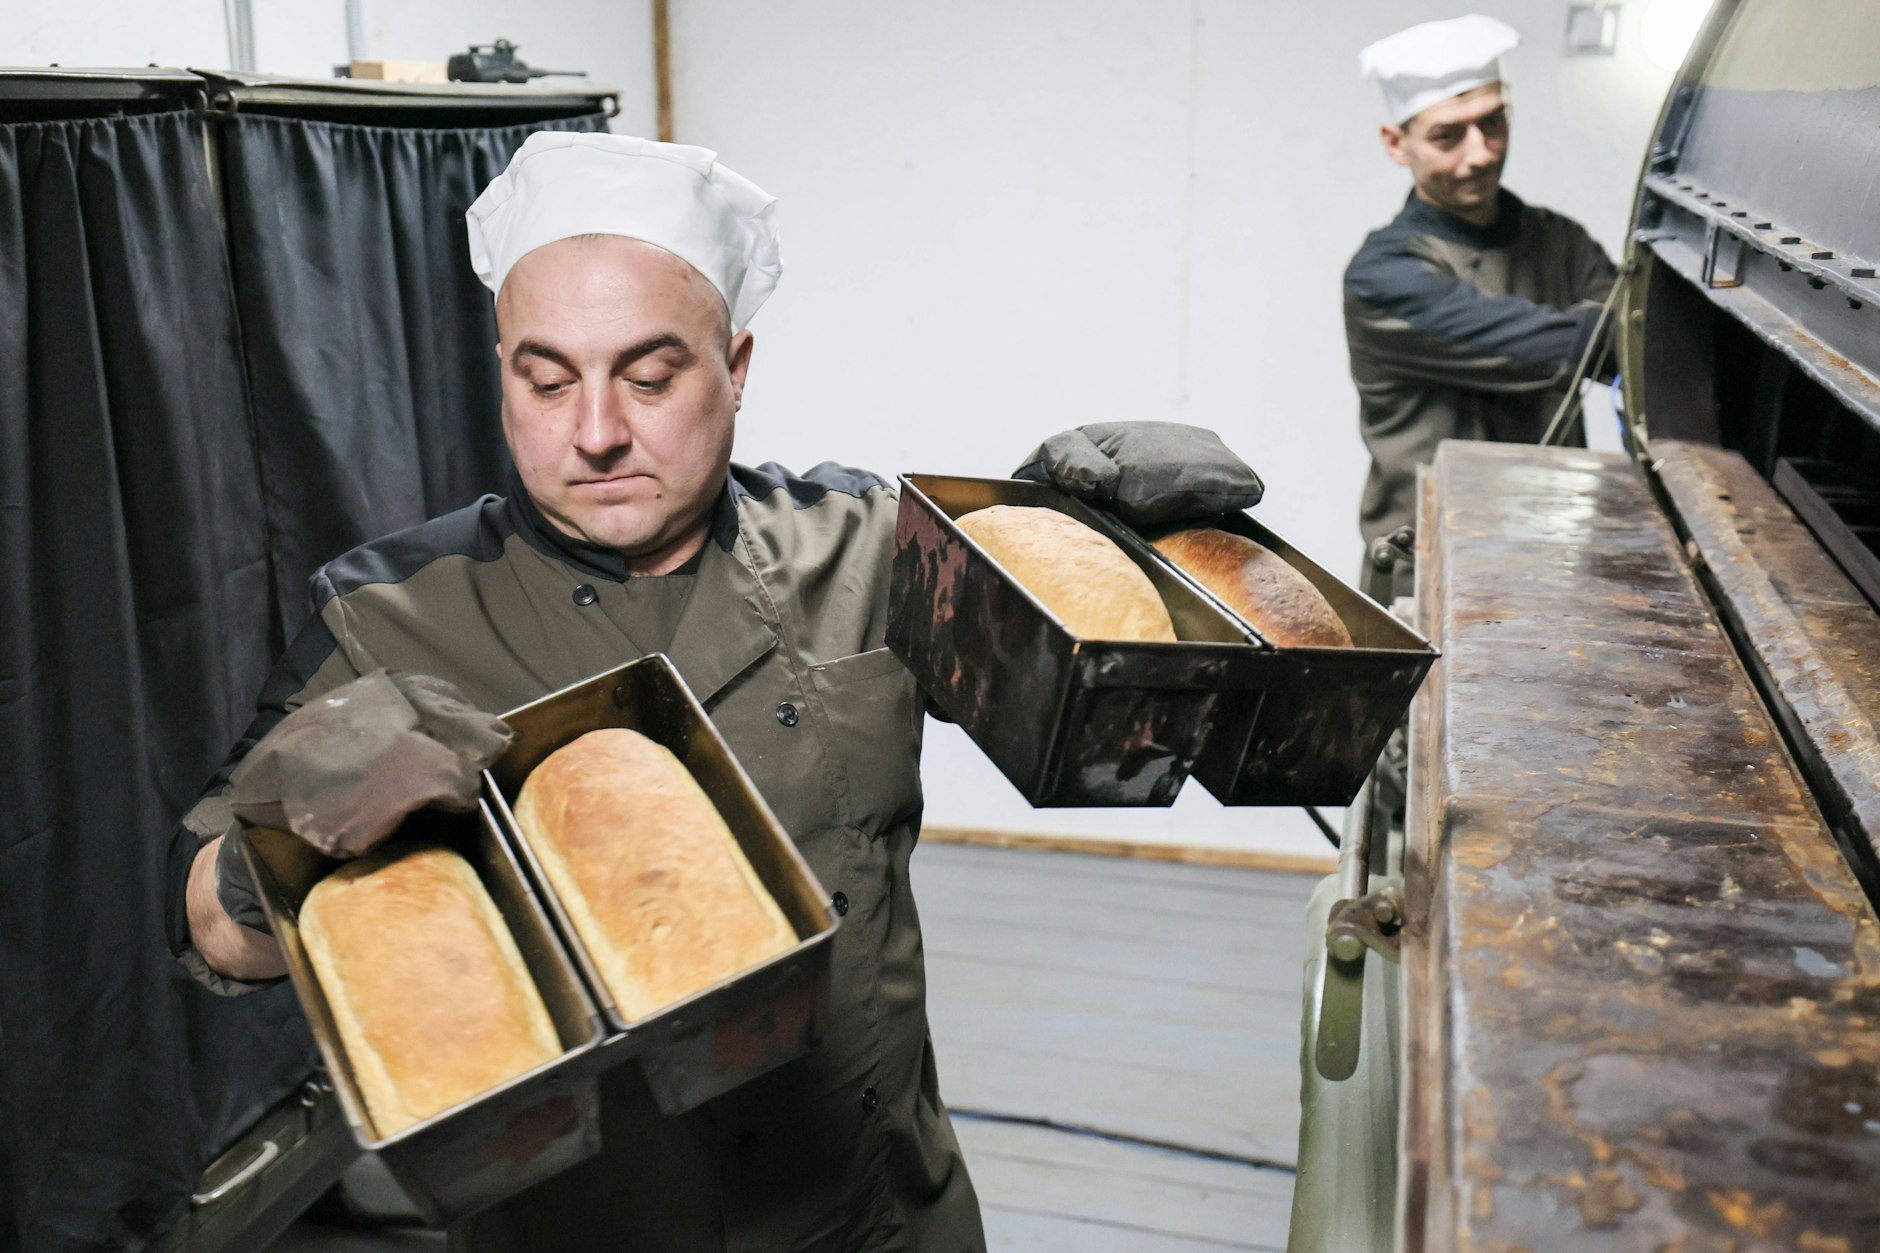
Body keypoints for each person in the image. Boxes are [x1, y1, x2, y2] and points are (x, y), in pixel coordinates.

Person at [169, 131, 1261, 1251]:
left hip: (874, 1209)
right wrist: (274, 855)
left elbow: (1125, 738)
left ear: (734, 369)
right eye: (545, 378)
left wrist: (1121, 548)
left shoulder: (870, 548)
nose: (594, 431)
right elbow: (208, 932)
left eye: (648, 376)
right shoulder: (390, 612)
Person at [1345, 14, 1617, 558]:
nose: (1481, 153)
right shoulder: (1383, 275)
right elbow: (1578, 346)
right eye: (1447, 135)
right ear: (1396, 143)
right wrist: (1602, 334)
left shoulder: (1562, 240)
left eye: (1493, 122)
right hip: (1427, 565)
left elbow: (1643, 346)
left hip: (1557, 554)